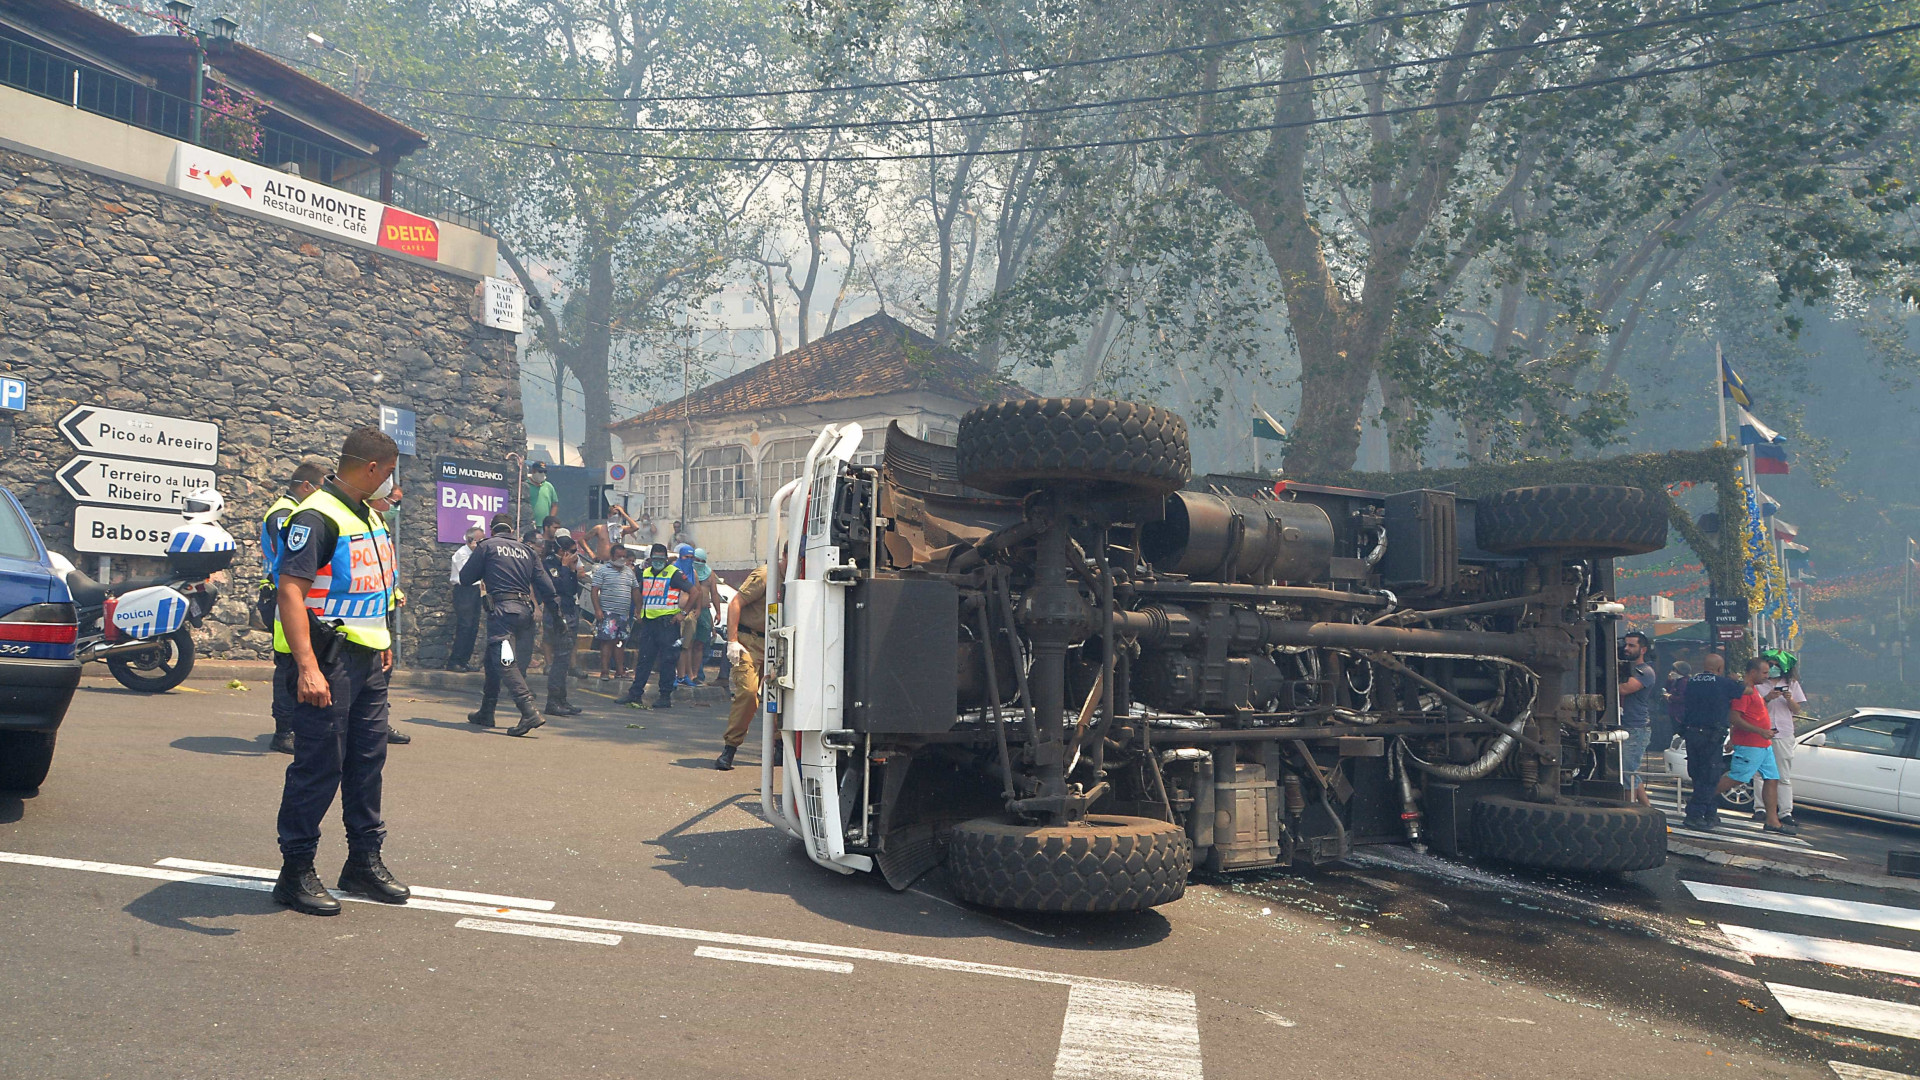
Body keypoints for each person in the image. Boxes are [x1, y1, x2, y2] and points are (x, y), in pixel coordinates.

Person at [269, 427, 407, 917]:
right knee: (319, 766)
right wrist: (306, 666)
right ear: (371, 467)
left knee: (367, 764)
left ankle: (363, 862)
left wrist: (383, 641)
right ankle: (295, 871)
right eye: (388, 473)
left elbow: (371, 588)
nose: (391, 484)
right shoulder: (317, 516)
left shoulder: (366, 514)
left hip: (368, 658)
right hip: (327, 660)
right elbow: (290, 592)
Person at [462, 514, 556, 736]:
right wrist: (557, 614)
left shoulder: (487, 546)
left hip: (503, 613)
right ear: (511, 530)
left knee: (505, 661)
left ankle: (528, 710)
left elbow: (466, 578)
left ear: (492, 530)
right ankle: (487, 710)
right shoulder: (528, 551)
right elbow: (548, 587)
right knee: (492, 659)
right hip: (525, 614)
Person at [258, 460, 327, 755]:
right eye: (320, 488)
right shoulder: (284, 514)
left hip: (296, 596)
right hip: (285, 596)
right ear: (306, 486)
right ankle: (283, 730)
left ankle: (297, 727)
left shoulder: (292, 512)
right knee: (287, 665)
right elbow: (288, 558)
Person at [615, 543, 695, 710]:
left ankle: (665, 696)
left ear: (665, 559)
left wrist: (684, 613)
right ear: (650, 559)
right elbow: (641, 594)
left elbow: (695, 592)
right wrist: (639, 611)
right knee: (644, 660)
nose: (658, 562)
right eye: (655, 558)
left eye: (661, 559)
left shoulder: (674, 573)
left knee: (668, 661)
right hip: (649, 624)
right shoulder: (646, 573)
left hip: (667, 624)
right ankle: (635, 693)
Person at [1717, 658, 1792, 834]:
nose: (1767, 677)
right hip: (1751, 743)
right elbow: (1735, 718)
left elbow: (1753, 713)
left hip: (1763, 743)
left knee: (1772, 778)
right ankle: (1701, 798)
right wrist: (1758, 731)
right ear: (1753, 672)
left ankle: (1773, 820)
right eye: (1764, 673)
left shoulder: (1755, 691)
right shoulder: (1745, 691)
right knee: (1738, 777)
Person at [1678, 651, 1747, 831]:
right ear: (1719, 668)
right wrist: (1736, 679)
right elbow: (1747, 690)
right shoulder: (1723, 683)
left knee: (1698, 774)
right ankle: (1694, 814)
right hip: (1711, 735)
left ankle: (1710, 813)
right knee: (1710, 776)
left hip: (1692, 733)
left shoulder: (1692, 682)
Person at [716, 557, 772, 770]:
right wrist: (732, 641)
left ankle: (777, 746)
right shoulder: (766, 575)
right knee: (748, 693)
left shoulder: (800, 576)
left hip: (778, 642)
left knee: (784, 697)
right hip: (749, 641)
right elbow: (736, 602)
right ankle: (730, 748)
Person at [368, 480, 411, 746]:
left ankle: (379, 723)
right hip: (364, 617)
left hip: (382, 610)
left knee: (381, 673)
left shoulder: (379, 525)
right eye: (393, 501)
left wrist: (395, 592)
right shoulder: (363, 524)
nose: (394, 507)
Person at [1753, 655, 1807, 829]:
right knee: (1760, 773)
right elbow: (1753, 707)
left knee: (1783, 774)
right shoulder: (1759, 684)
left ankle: (1785, 812)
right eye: (1770, 665)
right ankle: (1760, 808)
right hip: (1762, 731)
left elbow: (1797, 708)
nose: (1773, 668)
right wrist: (1768, 697)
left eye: (1777, 665)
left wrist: (1788, 698)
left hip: (1783, 732)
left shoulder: (1791, 684)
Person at [542, 528, 584, 717]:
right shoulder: (550, 564)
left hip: (569, 611)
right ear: (562, 551)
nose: (575, 555)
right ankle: (553, 701)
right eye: (572, 551)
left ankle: (562, 699)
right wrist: (566, 568)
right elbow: (560, 587)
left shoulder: (567, 565)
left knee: (565, 659)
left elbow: (573, 589)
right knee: (559, 660)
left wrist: (572, 570)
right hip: (557, 614)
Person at [1618, 631, 1657, 807]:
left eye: (1632, 645)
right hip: (1623, 725)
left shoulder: (1646, 671)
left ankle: (1630, 809)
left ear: (1643, 649)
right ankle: (1648, 809)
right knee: (1630, 771)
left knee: (1628, 772)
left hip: (1635, 729)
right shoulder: (1626, 668)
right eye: (1625, 644)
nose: (1626, 648)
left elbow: (1625, 689)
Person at [589, 543, 637, 683]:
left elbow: (635, 590)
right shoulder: (603, 571)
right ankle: (604, 671)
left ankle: (619, 671)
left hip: (623, 614)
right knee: (607, 643)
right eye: (618, 556)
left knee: (620, 643)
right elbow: (594, 590)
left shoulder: (629, 572)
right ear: (611, 556)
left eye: (624, 556)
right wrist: (598, 609)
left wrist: (638, 608)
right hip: (608, 613)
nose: (621, 559)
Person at [445, 526, 485, 672]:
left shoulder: (478, 554)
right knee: (465, 626)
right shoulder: (461, 555)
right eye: (479, 541)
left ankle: (464, 660)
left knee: (473, 627)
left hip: (476, 591)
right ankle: (455, 661)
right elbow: (467, 575)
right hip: (465, 591)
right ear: (470, 540)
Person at [677, 545, 713, 686]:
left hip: (690, 614)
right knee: (676, 645)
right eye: (687, 557)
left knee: (687, 645)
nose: (690, 560)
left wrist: (697, 609)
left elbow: (697, 592)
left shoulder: (694, 573)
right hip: (675, 613)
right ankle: (678, 674)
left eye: (692, 558)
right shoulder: (673, 570)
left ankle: (689, 675)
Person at [525, 461, 557, 529]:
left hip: (544, 527)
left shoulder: (549, 486)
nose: (542, 474)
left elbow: (554, 505)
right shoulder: (525, 485)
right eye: (540, 471)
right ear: (533, 471)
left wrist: (550, 521)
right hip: (528, 524)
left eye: (544, 472)